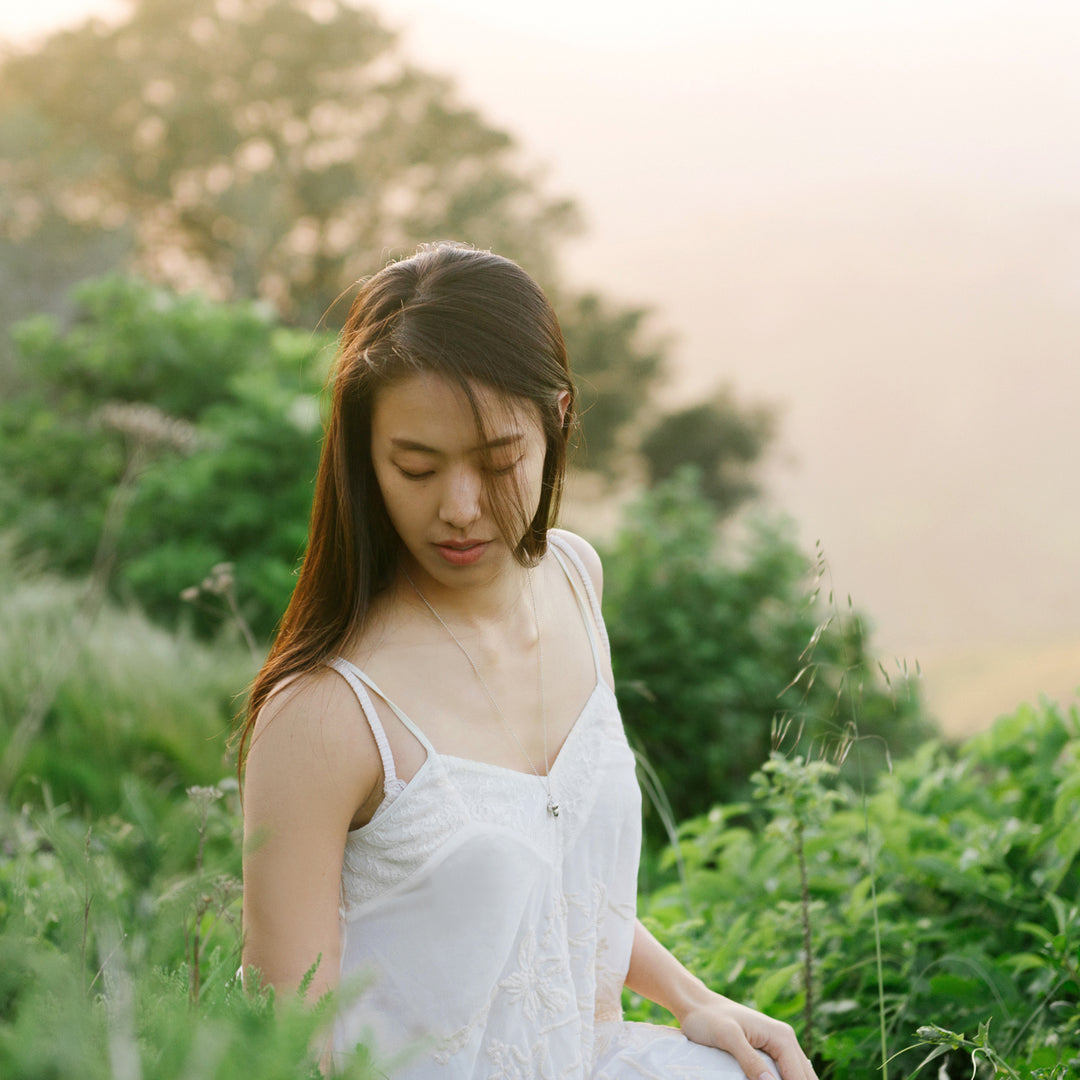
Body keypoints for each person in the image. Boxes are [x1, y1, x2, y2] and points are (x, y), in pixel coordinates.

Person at [238, 242, 818, 1080]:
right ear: (364, 458)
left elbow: (552, 897)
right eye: (416, 467)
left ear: (557, 421)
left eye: (498, 460)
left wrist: (690, 997)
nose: (460, 508)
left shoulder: (575, 581)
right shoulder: (326, 714)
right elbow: (288, 1049)